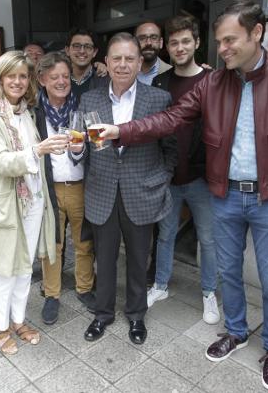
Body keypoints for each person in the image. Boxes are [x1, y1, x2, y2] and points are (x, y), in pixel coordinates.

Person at [98, 1, 268, 390]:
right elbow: (171, 119)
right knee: (228, 272)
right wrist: (123, 131)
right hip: (225, 194)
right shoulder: (213, 83)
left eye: (230, 40)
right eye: (219, 42)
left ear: (257, 33)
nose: (223, 49)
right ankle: (235, 332)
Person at [77, 32, 177, 345]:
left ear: (139, 62)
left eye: (129, 58)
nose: (122, 64)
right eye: (116, 58)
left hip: (142, 191)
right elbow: (84, 147)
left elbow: (170, 146)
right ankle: (103, 314)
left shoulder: (158, 99)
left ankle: (136, 315)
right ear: (105, 62)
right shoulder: (89, 99)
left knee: (138, 258)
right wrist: (74, 150)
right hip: (102, 190)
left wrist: (163, 177)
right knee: (104, 259)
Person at [0, 50, 67, 355]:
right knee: (5, 269)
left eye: (23, 76)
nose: (17, 81)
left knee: (25, 267)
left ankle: (18, 320)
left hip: (32, 201)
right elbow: (0, 162)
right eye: (11, 75)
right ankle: (0, 327)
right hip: (6, 203)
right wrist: (38, 151)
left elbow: (32, 157)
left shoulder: (25, 111)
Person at [145, 15, 220, 326]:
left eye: (185, 41)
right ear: (167, 46)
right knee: (165, 235)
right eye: (173, 42)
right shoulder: (160, 82)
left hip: (202, 176)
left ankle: (209, 292)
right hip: (170, 175)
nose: (179, 47)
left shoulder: (212, 80)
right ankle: (160, 285)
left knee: (208, 237)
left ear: (197, 43)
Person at [34, 52, 96, 325]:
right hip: (49, 188)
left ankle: (84, 288)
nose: (61, 81)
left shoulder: (82, 107)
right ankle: (52, 294)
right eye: (54, 76)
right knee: (52, 244)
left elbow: (96, 145)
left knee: (84, 242)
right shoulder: (33, 113)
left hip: (81, 185)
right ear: (42, 79)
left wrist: (82, 147)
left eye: (65, 76)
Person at [64, 28, 109, 97]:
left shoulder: (105, 81)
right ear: (67, 50)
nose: (82, 51)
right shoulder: (60, 80)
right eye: (77, 46)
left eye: (88, 47)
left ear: (94, 52)